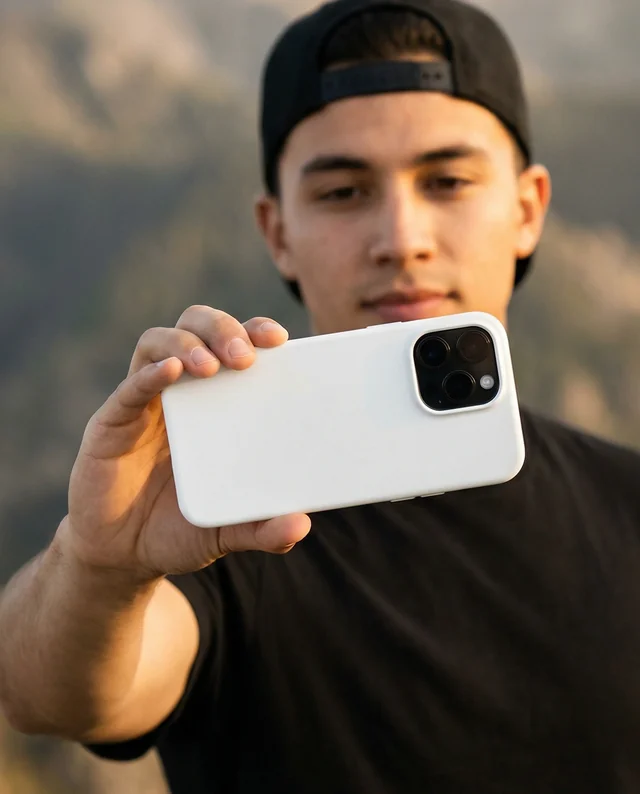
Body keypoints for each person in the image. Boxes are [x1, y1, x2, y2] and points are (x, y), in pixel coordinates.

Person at [1, 0, 639, 792]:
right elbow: (52, 697)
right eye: (343, 192)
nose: (401, 235)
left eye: (447, 180)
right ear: (277, 234)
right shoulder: (229, 521)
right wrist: (97, 564)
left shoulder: (629, 502)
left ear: (527, 209)